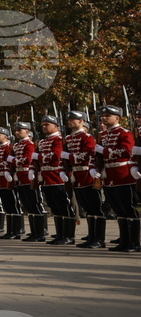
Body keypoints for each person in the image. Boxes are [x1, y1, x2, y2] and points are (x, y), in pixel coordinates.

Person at [98, 106, 139, 252]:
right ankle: (124, 240)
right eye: (103, 115)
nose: (104, 118)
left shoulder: (124, 133)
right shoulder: (103, 135)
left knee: (128, 208)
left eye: (108, 115)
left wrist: (104, 151)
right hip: (109, 175)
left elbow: (126, 152)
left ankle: (134, 242)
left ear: (117, 118)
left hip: (123, 175)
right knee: (118, 210)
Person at [65, 112, 102, 248]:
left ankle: (99, 239)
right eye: (69, 119)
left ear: (81, 121)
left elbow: (86, 155)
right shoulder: (69, 139)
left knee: (94, 207)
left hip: (87, 174)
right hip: (76, 175)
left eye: (73, 119)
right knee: (87, 208)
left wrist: (69, 157)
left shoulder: (87, 137)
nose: (70, 121)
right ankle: (92, 237)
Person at [37, 116, 72, 245]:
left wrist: (40, 157)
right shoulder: (43, 142)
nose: (44, 127)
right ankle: (60, 233)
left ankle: (68, 235)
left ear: (56, 126)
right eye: (43, 125)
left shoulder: (59, 140)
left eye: (47, 124)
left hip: (58, 176)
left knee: (63, 205)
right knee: (54, 207)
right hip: (47, 178)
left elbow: (55, 156)